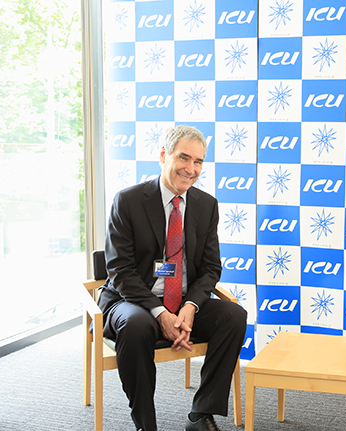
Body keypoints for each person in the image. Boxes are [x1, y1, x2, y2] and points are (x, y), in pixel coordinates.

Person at [98, 125, 247, 431]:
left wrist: (190, 307)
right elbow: (120, 271)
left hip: (182, 301)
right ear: (163, 155)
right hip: (132, 300)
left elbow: (210, 268)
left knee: (233, 315)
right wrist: (160, 312)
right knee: (137, 325)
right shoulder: (127, 201)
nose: (191, 169)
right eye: (184, 158)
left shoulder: (206, 205)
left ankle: (201, 414)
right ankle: (145, 424)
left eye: (199, 162)